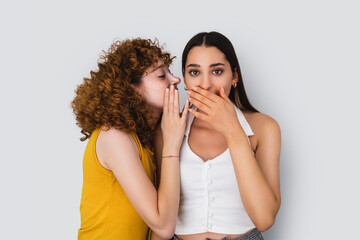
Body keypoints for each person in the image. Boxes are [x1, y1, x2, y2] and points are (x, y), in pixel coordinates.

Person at [154, 32, 281, 240]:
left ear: (235, 76)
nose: (206, 84)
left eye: (217, 71)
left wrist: (233, 131)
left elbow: (264, 219)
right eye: (194, 72)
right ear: (184, 79)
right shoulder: (166, 129)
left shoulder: (265, 128)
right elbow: (160, 218)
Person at [71, 38, 189, 240]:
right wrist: (171, 144)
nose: (176, 79)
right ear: (132, 88)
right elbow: (164, 226)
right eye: (162, 75)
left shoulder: (148, 137)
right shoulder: (114, 136)